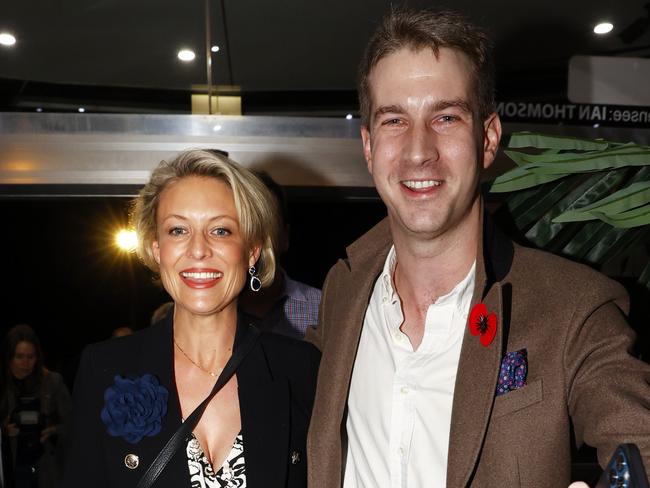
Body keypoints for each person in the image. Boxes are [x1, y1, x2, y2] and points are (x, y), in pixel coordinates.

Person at [306, 9, 650, 488]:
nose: (418, 150)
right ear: (368, 146)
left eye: (445, 117)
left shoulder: (573, 307)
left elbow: (641, 443)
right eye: (394, 121)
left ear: (487, 139)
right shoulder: (343, 288)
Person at [63, 150, 320, 487]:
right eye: (178, 230)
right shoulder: (104, 369)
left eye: (221, 231)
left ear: (252, 250)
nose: (198, 250)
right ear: (157, 249)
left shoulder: (301, 370)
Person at [239, 172, 321, 339]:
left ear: (285, 236)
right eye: (247, 225)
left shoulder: (323, 307)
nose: (257, 238)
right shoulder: (206, 308)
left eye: (268, 226)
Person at [1, 324, 72, 488]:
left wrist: (54, 430)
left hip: (45, 465)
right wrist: (4, 430)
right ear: (8, 356)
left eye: (31, 356)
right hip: (11, 465)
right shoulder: (3, 384)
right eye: (19, 356)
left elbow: (74, 422)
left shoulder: (52, 382)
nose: (25, 363)